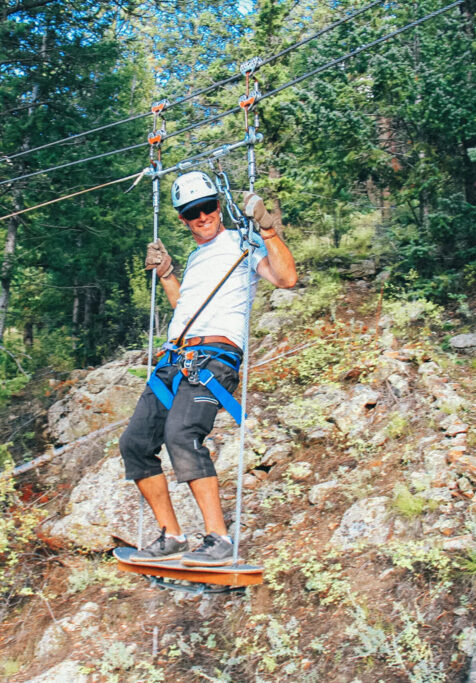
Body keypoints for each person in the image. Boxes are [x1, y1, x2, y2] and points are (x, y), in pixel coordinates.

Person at [119, 171, 297, 567]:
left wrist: (266, 229)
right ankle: (172, 536)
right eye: (192, 213)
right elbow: (185, 308)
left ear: (219, 205)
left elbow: (286, 278)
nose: (203, 217)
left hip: (215, 358)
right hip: (175, 357)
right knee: (134, 443)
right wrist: (167, 274)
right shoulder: (199, 257)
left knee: (181, 434)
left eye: (208, 207)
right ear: (183, 219)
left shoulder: (243, 242)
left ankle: (218, 539)